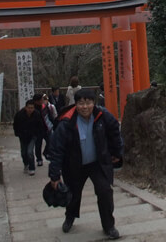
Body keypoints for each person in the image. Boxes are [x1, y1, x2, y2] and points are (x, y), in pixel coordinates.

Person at [49, 88, 123, 239]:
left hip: (97, 162)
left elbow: (115, 131)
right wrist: (54, 175)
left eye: (88, 103)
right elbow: (57, 149)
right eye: (81, 103)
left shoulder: (102, 115)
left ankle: (109, 225)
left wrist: (116, 153)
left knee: (105, 191)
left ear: (93, 103)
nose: (85, 107)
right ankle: (70, 217)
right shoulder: (67, 122)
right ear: (75, 104)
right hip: (74, 164)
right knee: (73, 194)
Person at [13, 99, 43, 175]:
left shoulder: (37, 114)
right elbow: (15, 125)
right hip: (23, 136)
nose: (30, 110)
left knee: (29, 151)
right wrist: (17, 133)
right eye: (29, 108)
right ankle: (26, 164)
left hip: (33, 135)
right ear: (26, 107)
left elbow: (40, 125)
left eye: (32, 108)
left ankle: (32, 167)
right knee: (23, 152)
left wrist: (38, 134)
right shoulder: (19, 114)